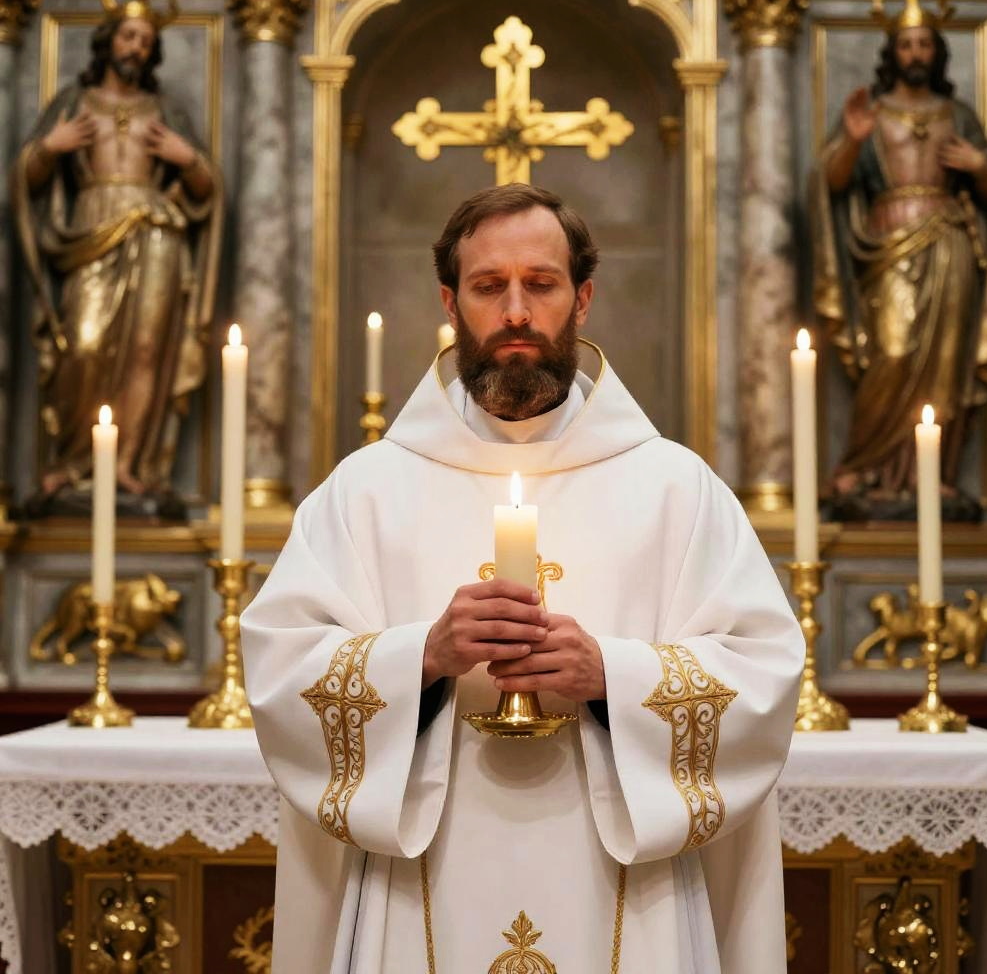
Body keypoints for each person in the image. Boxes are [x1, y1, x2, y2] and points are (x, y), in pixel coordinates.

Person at [242, 184, 803, 973]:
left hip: (627, 892)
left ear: (582, 299)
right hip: (420, 887)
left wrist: (613, 675)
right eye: (487, 286)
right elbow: (280, 673)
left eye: (540, 284)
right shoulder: (365, 491)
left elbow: (764, 674)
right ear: (449, 301)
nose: (515, 310)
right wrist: (423, 658)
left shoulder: (677, 489)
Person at [10, 0, 222, 515]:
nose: (136, 47)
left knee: (149, 351)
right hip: (89, 230)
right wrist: (47, 150)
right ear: (108, 42)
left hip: (155, 234)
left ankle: (130, 466)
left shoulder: (164, 111)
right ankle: (71, 464)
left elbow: (208, 188)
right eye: (129, 36)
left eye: (146, 41)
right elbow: (25, 181)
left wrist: (188, 159)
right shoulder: (73, 105)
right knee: (82, 343)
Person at [811, 0, 987, 521]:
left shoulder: (958, 116)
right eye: (907, 43)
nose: (916, 51)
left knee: (945, 364)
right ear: (892, 52)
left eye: (925, 43)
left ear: (938, 50)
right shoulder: (871, 115)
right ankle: (865, 465)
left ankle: (936, 475)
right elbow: (830, 183)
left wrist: (982, 167)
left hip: (950, 249)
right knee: (893, 354)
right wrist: (851, 143)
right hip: (889, 249)